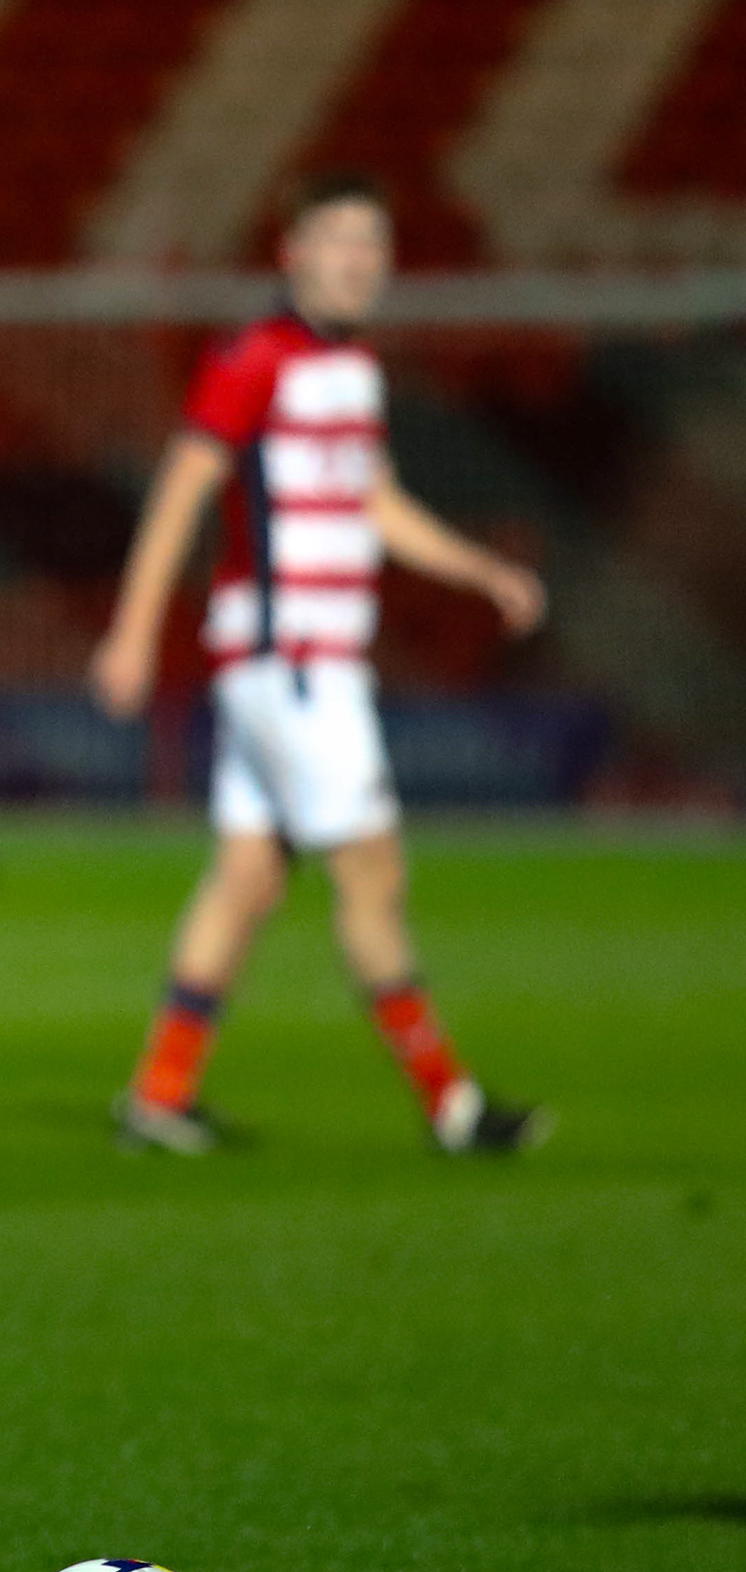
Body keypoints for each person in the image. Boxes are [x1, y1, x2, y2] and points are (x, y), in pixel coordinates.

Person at [91, 171, 550, 1157]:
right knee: (372, 873)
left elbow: (372, 503)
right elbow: (182, 488)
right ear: (291, 252)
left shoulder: (351, 366)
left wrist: (479, 569)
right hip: (290, 657)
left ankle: (158, 1094)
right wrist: (132, 631)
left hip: (297, 659)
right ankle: (451, 1104)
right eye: (338, 240)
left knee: (248, 875)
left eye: (373, 243)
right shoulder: (257, 357)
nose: (358, 260)